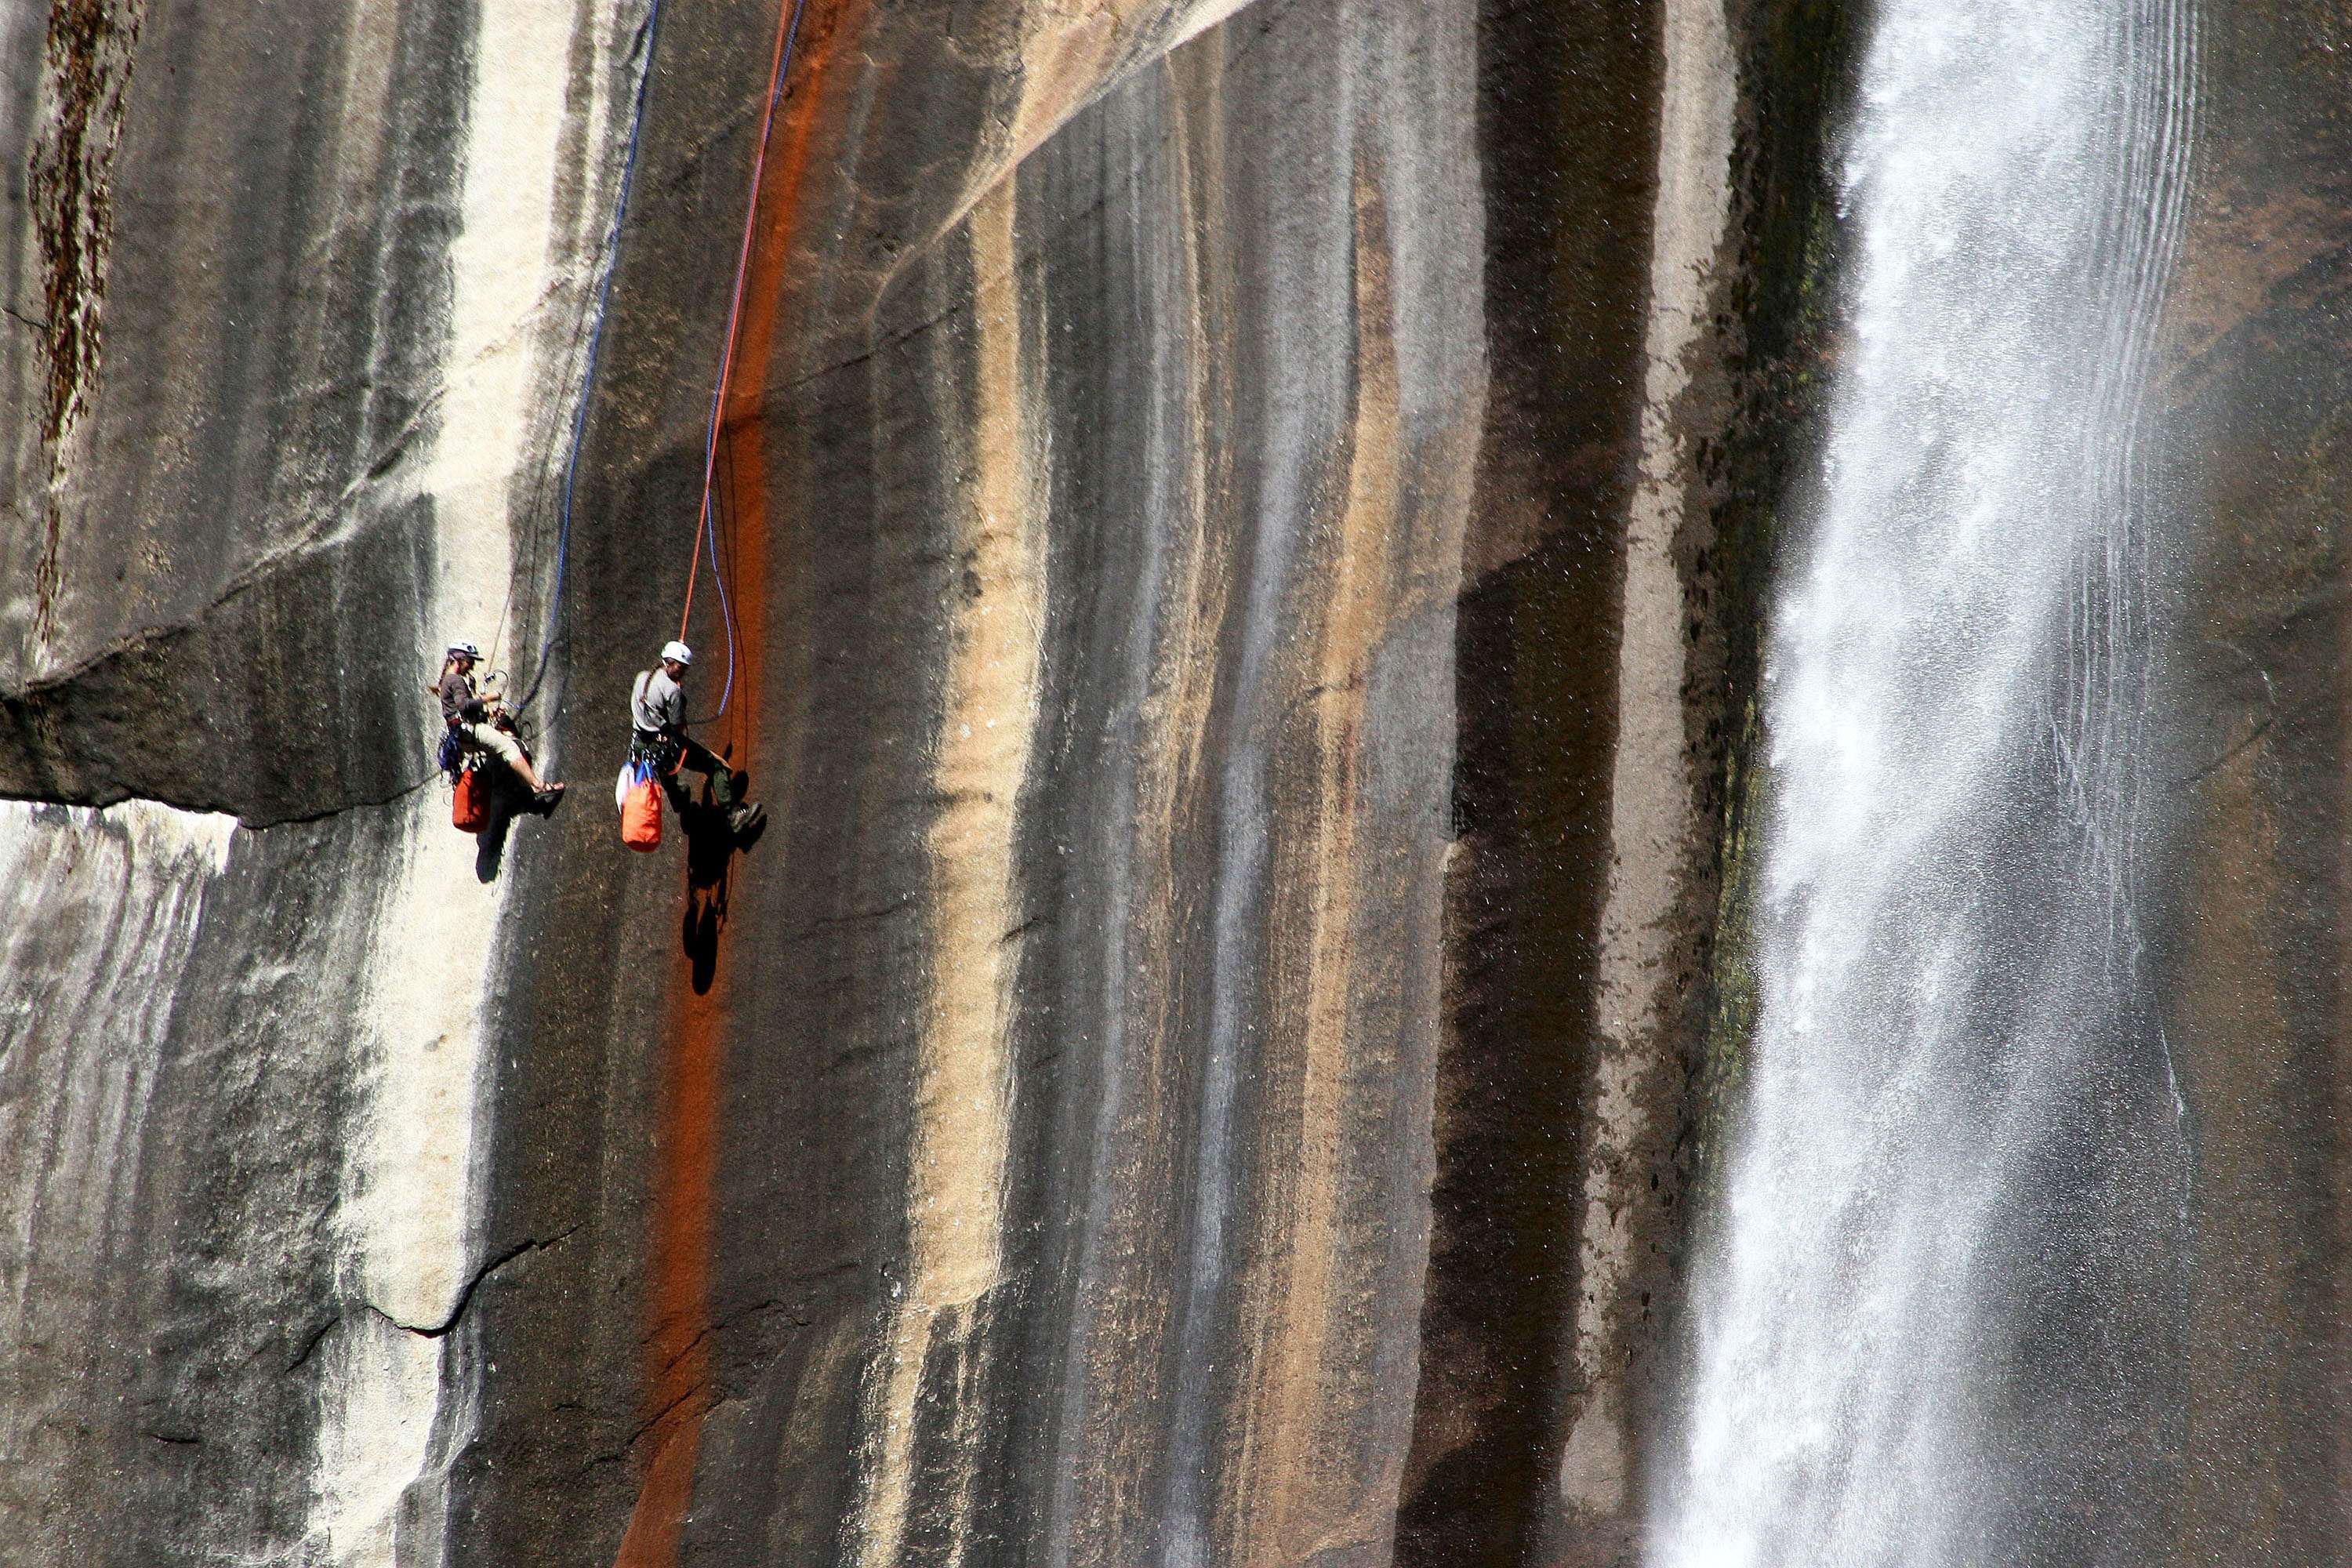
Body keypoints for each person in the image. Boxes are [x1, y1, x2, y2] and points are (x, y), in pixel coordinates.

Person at [631, 640, 762, 836]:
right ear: (671, 663)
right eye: (681, 668)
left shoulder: (642, 677)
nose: (683, 672)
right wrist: (680, 700)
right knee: (717, 767)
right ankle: (734, 816)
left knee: (669, 778)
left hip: (642, 745)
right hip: (665, 744)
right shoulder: (672, 690)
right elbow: (678, 726)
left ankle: (682, 805)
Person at [438, 641, 565, 808]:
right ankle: (538, 786)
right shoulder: (455, 679)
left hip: (462, 736)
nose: (472, 666)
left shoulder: (447, 680)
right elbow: (463, 705)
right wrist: (488, 698)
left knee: (509, 745)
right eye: (470, 661)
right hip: (469, 731)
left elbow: (459, 711)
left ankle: (528, 790)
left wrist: (487, 713)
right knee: (509, 748)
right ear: (459, 659)